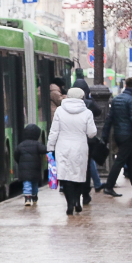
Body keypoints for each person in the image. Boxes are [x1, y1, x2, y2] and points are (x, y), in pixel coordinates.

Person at [49, 87, 97, 215]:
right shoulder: (87, 113)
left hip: (62, 146)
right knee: (79, 175)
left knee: (65, 176)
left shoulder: (59, 111)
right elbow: (92, 133)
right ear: (82, 97)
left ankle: (70, 203)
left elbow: (54, 131)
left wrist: (50, 147)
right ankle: (77, 200)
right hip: (80, 146)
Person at [103, 76, 132, 197]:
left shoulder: (117, 99)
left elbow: (109, 119)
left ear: (125, 86)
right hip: (127, 135)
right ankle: (109, 186)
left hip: (118, 134)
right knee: (120, 161)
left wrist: (105, 135)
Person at [72, 78, 103, 196]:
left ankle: (73, 190)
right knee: (87, 165)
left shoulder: (66, 104)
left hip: (72, 139)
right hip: (86, 140)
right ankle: (86, 192)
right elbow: (99, 111)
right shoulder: (89, 103)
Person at [14, 123, 47, 207]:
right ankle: (35, 197)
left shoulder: (21, 145)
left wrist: (20, 162)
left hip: (24, 168)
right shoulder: (37, 144)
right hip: (35, 167)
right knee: (35, 183)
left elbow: (16, 154)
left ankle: (27, 198)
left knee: (26, 183)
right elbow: (44, 150)